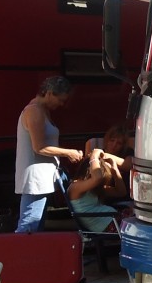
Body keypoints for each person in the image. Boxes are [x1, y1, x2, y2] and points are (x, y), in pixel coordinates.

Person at [14, 76, 83, 233]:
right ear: (50, 93)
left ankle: (28, 255)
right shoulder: (34, 111)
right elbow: (39, 147)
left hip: (41, 178)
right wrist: (68, 152)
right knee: (28, 226)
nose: (61, 104)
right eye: (60, 100)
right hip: (35, 179)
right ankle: (17, 255)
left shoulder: (42, 111)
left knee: (34, 225)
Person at [67, 148, 125, 232]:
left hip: (113, 220)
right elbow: (97, 178)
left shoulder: (93, 188)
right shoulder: (75, 187)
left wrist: (115, 170)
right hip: (109, 226)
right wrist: (94, 156)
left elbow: (121, 192)